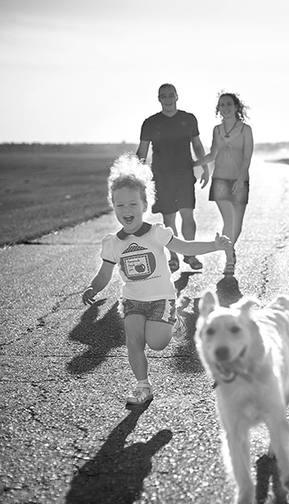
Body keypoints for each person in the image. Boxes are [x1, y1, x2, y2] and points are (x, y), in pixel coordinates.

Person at [82, 154, 232, 405]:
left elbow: (186, 247)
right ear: (113, 206)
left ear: (144, 205)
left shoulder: (156, 233)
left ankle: (173, 322)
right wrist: (93, 287)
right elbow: (104, 274)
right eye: (120, 205)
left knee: (157, 343)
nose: (126, 210)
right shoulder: (113, 243)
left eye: (133, 204)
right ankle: (143, 386)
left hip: (161, 299)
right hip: (132, 301)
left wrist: (214, 246)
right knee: (133, 342)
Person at [136, 83, 210, 272]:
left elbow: (197, 145)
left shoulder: (188, 119)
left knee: (187, 214)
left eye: (171, 95)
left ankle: (190, 254)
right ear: (159, 99)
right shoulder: (150, 122)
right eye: (164, 96)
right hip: (162, 176)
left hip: (184, 173)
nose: (168, 99)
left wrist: (204, 166)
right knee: (169, 218)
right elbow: (142, 152)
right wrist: (136, 175)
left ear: (177, 96)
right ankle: (174, 257)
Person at [193, 92, 254, 275]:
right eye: (222, 105)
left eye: (228, 104)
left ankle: (230, 249)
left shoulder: (245, 130)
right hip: (220, 178)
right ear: (218, 108)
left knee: (237, 224)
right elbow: (212, 154)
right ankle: (229, 260)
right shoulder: (217, 130)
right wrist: (193, 164)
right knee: (229, 219)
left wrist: (240, 179)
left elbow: (247, 157)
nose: (225, 108)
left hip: (240, 180)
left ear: (236, 107)